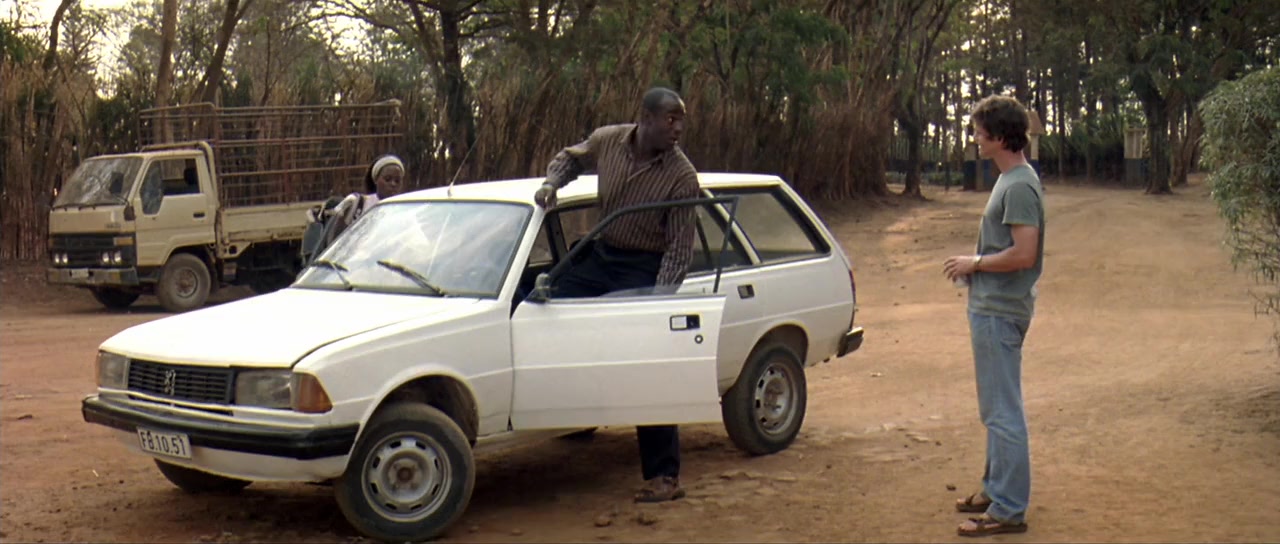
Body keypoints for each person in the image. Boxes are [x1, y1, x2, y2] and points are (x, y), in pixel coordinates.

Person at [533, 86, 698, 502]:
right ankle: (573, 410)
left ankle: (664, 476)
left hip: (643, 265)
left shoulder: (681, 176)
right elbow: (571, 157)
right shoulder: (608, 140)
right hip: (601, 253)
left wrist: (657, 301)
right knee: (540, 308)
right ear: (645, 117)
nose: (678, 128)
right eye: (671, 119)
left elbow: (680, 249)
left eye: (681, 120)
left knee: (645, 364)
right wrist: (552, 184)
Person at [943, 95, 1045, 537]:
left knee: (1002, 411)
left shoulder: (1018, 185)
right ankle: (995, 488)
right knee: (996, 408)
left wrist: (976, 263)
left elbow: (1024, 254)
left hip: (1000, 312)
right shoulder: (1011, 179)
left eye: (980, 132)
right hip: (994, 307)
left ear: (1001, 137)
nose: (975, 139)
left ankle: (1007, 508)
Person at [302, 155, 404, 266]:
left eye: (397, 181)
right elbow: (336, 243)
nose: (393, 184)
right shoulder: (357, 203)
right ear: (376, 180)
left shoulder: (405, 211)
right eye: (387, 179)